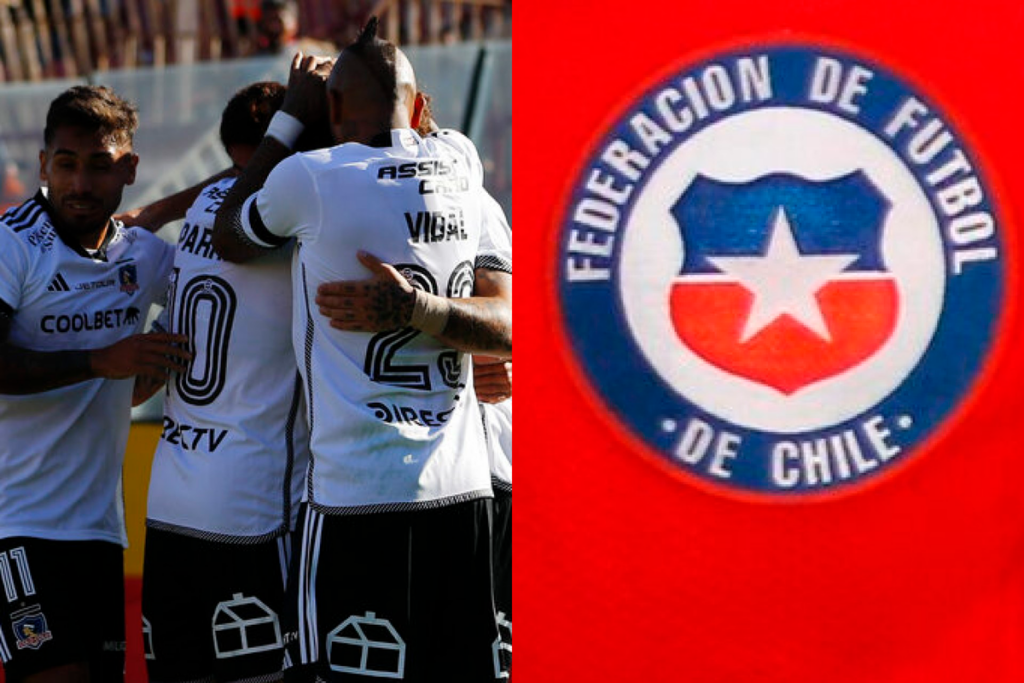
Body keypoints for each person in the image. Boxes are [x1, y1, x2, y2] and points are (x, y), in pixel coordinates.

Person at [211, 19, 511, 682]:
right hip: (462, 492)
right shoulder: (462, 161)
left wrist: (291, 117)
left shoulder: (310, 176)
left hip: (354, 496)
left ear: (332, 108)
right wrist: (420, 311)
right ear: (423, 107)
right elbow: (510, 327)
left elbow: (230, 234)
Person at [139, 79, 328, 683]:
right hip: (253, 510)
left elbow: (244, 177)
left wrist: (163, 208)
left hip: (169, 499)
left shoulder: (203, 206)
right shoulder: (300, 216)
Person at [0, 85, 189, 682]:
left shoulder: (145, 257)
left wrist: (160, 212)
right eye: (66, 164)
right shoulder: (11, 245)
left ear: (129, 169)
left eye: (99, 165)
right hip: (16, 524)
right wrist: (99, 362)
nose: (80, 184)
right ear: (43, 165)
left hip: (101, 529)